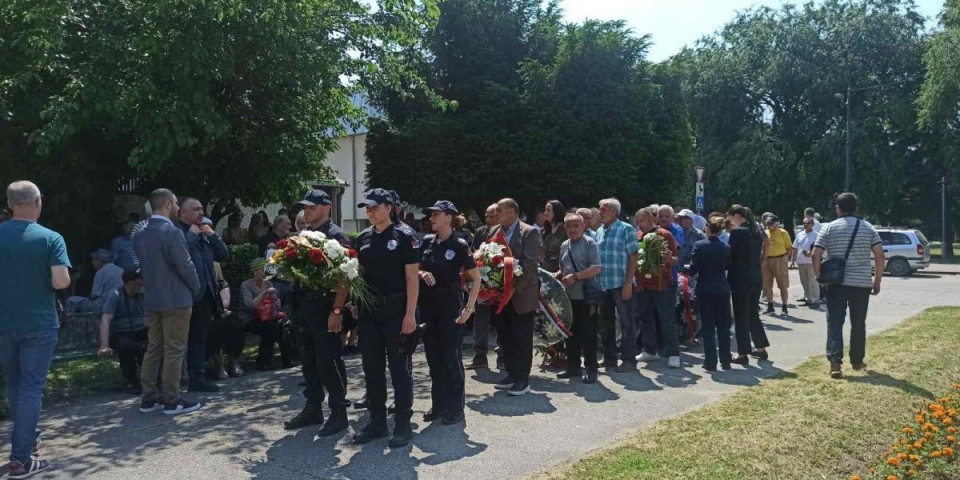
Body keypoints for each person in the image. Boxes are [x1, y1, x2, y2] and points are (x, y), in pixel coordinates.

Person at [0, 181, 71, 477]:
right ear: (38, 201)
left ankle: (29, 437)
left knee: (14, 384)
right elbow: (60, 281)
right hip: (40, 323)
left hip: (4, 323)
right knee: (31, 388)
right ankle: (21, 458)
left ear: (9, 203)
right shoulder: (51, 238)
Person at [353, 188, 420, 447]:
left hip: (396, 309)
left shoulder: (404, 236)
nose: (369, 212)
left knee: (399, 368)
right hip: (370, 313)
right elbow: (360, 275)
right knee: (372, 367)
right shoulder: (363, 238)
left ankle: (403, 423)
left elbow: (412, 278)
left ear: (388, 207)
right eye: (367, 208)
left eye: (374, 207)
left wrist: (410, 314)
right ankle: (377, 422)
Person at [284, 189, 352, 437]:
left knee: (329, 360)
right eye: (306, 207)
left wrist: (336, 310)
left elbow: (346, 277)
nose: (307, 211)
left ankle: (339, 412)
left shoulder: (335, 236)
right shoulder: (304, 236)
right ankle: (313, 407)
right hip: (303, 307)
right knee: (309, 360)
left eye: (312, 207)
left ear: (326, 207)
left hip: (325, 307)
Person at [133, 188, 202, 415]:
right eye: (174, 202)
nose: (177, 207)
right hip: (176, 298)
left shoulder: (140, 233)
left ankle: (149, 397)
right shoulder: (171, 232)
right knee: (174, 349)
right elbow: (184, 264)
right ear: (167, 204)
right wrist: (196, 286)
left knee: (154, 348)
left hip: (152, 298)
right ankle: (172, 399)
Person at [418, 200, 481, 425]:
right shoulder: (426, 242)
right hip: (428, 308)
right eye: (430, 215)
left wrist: (468, 309)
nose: (431, 218)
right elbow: (414, 267)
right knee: (434, 359)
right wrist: (422, 273)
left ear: (449, 217)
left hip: (450, 308)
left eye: (436, 214)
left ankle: (455, 408)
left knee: (451, 359)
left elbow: (476, 278)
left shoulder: (460, 245)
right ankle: (439, 406)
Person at [812, 193, 884, 379]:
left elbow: (815, 254)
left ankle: (835, 363)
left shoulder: (828, 228)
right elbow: (879, 255)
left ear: (838, 208)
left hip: (836, 283)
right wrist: (876, 281)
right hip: (861, 283)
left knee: (834, 322)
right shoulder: (868, 228)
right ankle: (857, 360)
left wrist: (819, 276)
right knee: (858, 323)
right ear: (856, 208)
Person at [485, 198, 541, 395]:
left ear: (512, 211)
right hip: (499, 295)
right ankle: (511, 373)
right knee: (505, 336)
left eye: (499, 210)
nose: (495, 214)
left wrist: (512, 290)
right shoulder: (493, 231)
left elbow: (530, 265)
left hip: (521, 295)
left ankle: (522, 379)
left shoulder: (529, 232)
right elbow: (488, 260)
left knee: (522, 337)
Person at [175, 199, 230, 393]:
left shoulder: (204, 233)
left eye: (202, 208)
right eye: (196, 209)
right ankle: (175, 381)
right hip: (184, 296)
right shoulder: (178, 233)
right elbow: (177, 258)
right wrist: (190, 237)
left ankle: (197, 378)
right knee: (181, 341)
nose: (201, 212)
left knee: (199, 338)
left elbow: (224, 256)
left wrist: (213, 236)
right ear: (183, 213)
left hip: (205, 295)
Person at [556, 213, 602, 383]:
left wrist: (575, 277)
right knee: (570, 333)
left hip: (586, 297)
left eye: (576, 225)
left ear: (583, 226)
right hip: (569, 297)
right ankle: (573, 367)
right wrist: (557, 275)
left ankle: (591, 369)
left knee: (589, 334)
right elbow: (563, 268)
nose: (572, 229)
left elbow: (596, 268)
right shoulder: (564, 245)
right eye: (569, 226)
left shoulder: (590, 243)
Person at [633, 206, 681, 368]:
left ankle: (673, 353)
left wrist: (669, 258)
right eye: (638, 221)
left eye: (644, 220)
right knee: (645, 318)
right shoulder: (638, 236)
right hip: (642, 285)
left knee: (666, 319)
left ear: (652, 219)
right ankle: (650, 350)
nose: (641, 224)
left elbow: (675, 259)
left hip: (662, 284)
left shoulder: (665, 235)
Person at [596, 198, 639, 372]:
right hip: (603, 284)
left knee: (627, 323)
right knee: (606, 323)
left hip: (621, 284)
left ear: (614, 212)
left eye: (603, 209)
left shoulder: (626, 229)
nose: (600, 213)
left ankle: (629, 360)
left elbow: (633, 257)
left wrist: (629, 282)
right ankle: (609, 359)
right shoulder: (599, 231)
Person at [726, 205, 770, 366]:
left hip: (740, 278)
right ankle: (760, 346)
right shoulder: (756, 231)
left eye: (729, 216)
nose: (728, 220)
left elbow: (730, 254)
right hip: (755, 276)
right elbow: (766, 244)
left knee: (740, 315)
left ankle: (742, 352)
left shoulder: (737, 232)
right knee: (752, 313)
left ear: (737, 215)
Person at [687, 215, 732, 371]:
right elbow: (727, 266)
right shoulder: (726, 247)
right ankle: (726, 360)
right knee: (723, 326)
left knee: (708, 326)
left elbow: (694, 268)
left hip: (705, 288)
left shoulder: (699, 245)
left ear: (707, 228)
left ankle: (710, 361)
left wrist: (689, 270)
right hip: (722, 288)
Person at [98, 270, 149, 395]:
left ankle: (151, 380)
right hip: (121, 333)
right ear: (130, 283)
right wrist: (104, 345)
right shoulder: (115, 294)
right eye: (140, 281)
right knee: (127, 347)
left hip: (140, 330)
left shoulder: (143, 294)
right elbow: (106, 319)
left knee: (148, 346)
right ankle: (131, 380)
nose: (143, 283)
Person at [467, 203, 501, 370]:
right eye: (487, 215)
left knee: (502, 320)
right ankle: (480, 355)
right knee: (480, 320)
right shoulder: (480, 232)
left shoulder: (504, 232)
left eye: (492, 215)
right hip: (483, 282)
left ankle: (503, 355)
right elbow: (474, 254)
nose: (488, 219)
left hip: (501, 282)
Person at [242, 262, 291, 370]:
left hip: (268, 317)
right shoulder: (246, 285)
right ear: (255, 271)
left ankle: (267, 362)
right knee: (272, 328)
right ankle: (269, 361)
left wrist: (276, 302)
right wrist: (264, 293)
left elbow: (275, 302)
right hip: (251, 318)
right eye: (262, 270)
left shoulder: (268, 283)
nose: (265, 273)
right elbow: (250, 306)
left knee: (278, 327)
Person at [207, 260, 244, 379]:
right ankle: (220, 364)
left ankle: (233, 360)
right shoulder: (203, 286)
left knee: (235, 328)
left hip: (224, 315)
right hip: (209, 318)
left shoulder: (222, 284)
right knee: (211, 331)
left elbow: (225, 304)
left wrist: (221, 312)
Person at [66, 248, 124, 313]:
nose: (92, 262)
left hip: (102, 305)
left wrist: (87, 297)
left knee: (71, 300)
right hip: (119, 304)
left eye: (95, 259)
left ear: (102, 260)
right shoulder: (121, 270)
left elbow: (94, 296)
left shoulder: (101, 272)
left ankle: (70, 322)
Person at [762, 215, 793, 317]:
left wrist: (785, 259)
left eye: (771, 223)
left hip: (780, 259)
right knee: (767, 285)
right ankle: (770, 306)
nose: (769, 226)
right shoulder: (765, 233)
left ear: (776, 223)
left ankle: (784, 307)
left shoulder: (783, 233)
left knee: (782, 285)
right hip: (767, 260)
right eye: (767, 224)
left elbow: (789, 247)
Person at [791, 217, 820, 308]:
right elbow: (795, 247)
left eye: (807, 223)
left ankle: (816, 300)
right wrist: (792, 259)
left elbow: (819, 248)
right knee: (804, 282)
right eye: (804, 223)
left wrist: (811, 253)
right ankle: (808, 299)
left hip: (811, 262)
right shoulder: (800, 234)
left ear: (812, 224)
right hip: (801, 262)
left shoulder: (816, 235)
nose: (805, 225)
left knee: (813, 281)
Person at [539, 200, 568, 273]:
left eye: (548, 210)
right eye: (545, 210)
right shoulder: (544, 231)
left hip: (560, 271)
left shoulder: (566, 231)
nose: (545, 213)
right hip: (545, 270)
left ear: (556, 212)